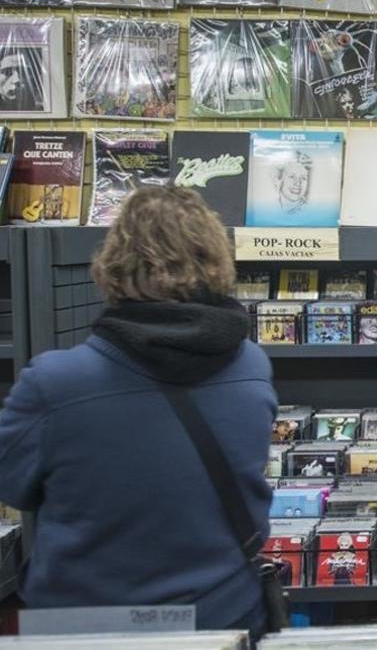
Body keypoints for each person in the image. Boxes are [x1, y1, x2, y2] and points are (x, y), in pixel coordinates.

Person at [0, 186, 275, 636]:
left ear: (113, 264)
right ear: (216, 261)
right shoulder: (251, 365)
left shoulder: (55, 382)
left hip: (86, 627)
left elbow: (13, 485)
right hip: (221, 620)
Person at [276, 150, 312, 215]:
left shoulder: (310, 209)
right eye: (292, 177)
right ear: (279, 179)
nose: (298, 183)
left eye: (303, 178)